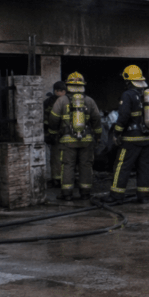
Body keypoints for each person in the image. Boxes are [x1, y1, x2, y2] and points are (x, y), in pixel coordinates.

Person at [48, 72, 103, 201]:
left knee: (68, 165)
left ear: (68, 85)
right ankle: (85, 193)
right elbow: (97, 120)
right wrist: (98, 136)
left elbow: (53, 119)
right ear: (83, 85)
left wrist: (53, 133)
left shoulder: (61, 100)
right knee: (86, 165)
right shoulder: (89, 101)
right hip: (86, 140)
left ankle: (66, 194)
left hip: (68, 141)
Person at [106, 65, 149, 203]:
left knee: (122, 166)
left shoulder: (127, 95)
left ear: (128, 80)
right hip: (148, 137)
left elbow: (123, 116)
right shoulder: (147, 94)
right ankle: (144, 196)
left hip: (131, 139)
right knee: (144, 167)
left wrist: (116, 133)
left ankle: (116, 196)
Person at [43, 81, 66, 190]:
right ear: (57, 91)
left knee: (57, 158)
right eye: (62, 91)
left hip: (56, 134)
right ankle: (60, 179)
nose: (63, 93)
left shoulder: (48, 102)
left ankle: (57, 179)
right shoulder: (64, 101)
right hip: (61, 134)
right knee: (61, 158)